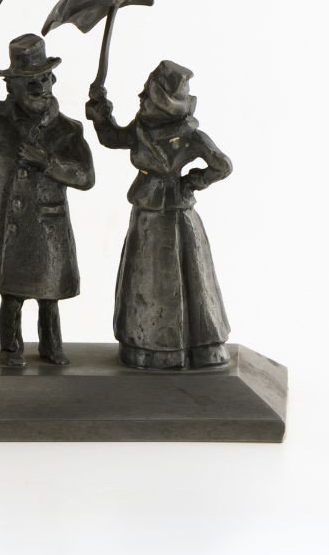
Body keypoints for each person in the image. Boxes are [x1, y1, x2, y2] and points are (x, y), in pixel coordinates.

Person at [0, 33, 95, 366]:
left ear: (53, 79)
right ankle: (11, 349)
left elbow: (86, 177)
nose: (40, 87)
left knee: (49, 296)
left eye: (45, 78)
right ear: (11, 87)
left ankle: (51, 346)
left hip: (49, 230)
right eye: (30, 82)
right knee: (11, 296)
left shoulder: (67, 131)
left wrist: (48, 162)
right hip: (11, 227)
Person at [86, 60, 232, 369]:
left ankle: (198, 346)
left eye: (148, 95)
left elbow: (222, 165)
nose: (141, 98)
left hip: (177, 215)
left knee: (188, 277)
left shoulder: (191, 136)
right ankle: (146, 344)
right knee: (147, 277)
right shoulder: (142, 128)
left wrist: (193, 181)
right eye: (144, 92)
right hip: (147, 212)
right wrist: (101, 114)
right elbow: (112, 138)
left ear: (164, 104)